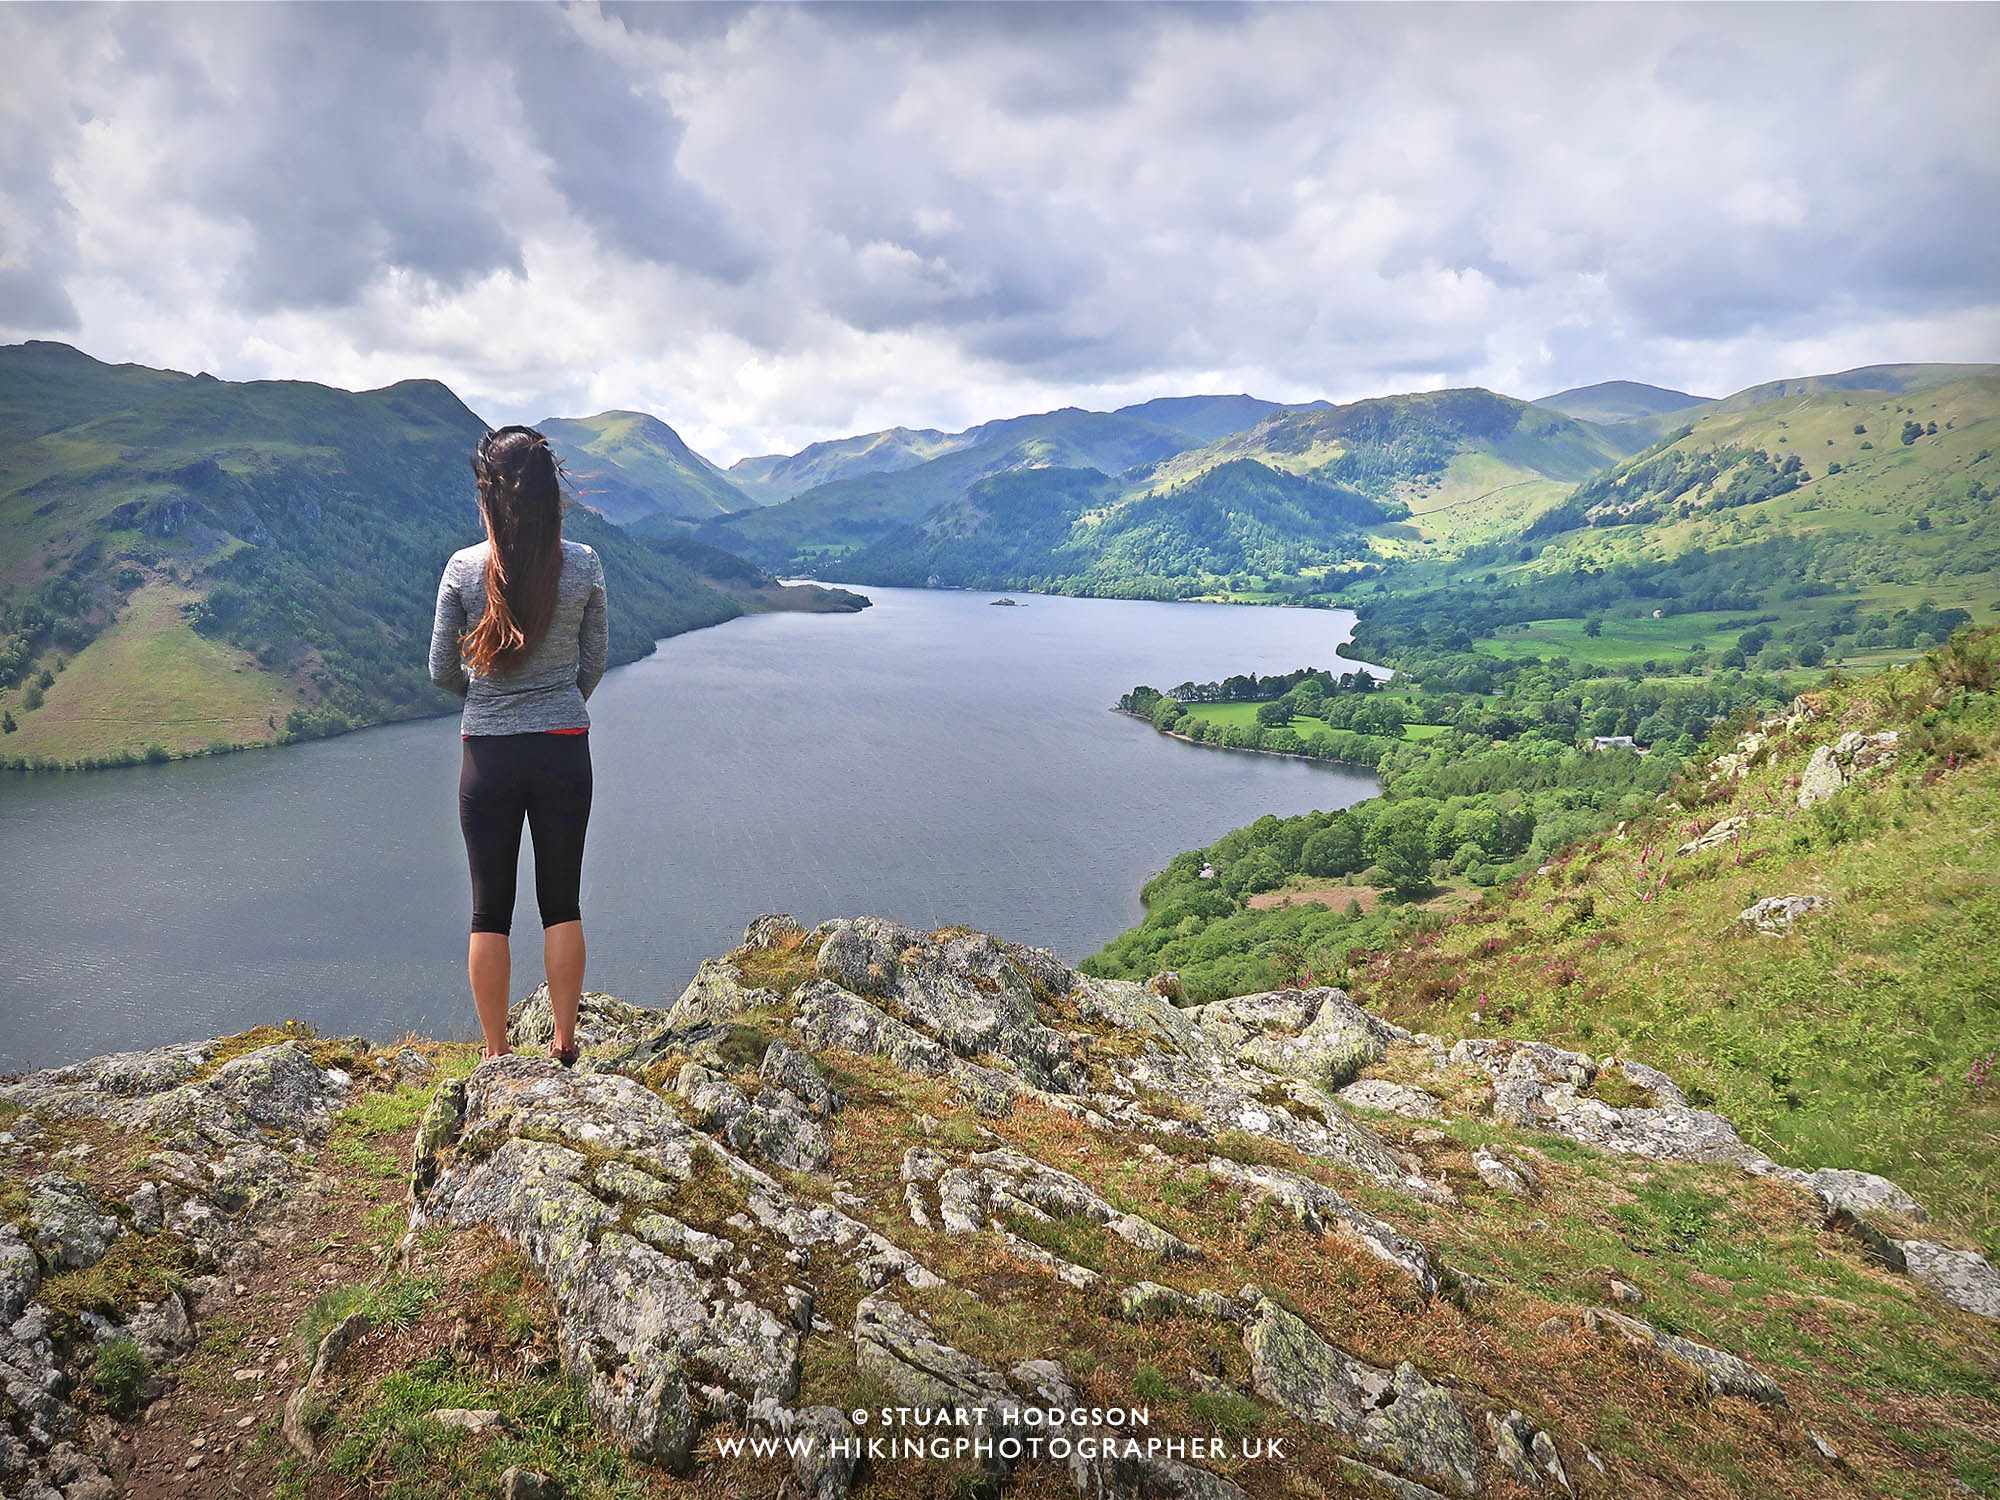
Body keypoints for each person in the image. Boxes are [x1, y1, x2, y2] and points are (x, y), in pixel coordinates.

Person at [428, 425, 608, 1066]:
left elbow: (440, 671)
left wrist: (488, 702)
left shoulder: (462, 569)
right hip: (564, 748)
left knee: (489, 910)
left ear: (489, 493)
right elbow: (594, 662)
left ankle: (496, 1054)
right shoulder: (583, 564)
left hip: (490, 756)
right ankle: (563, 1045)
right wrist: (559, 701)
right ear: (550, 492)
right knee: (561, 899)